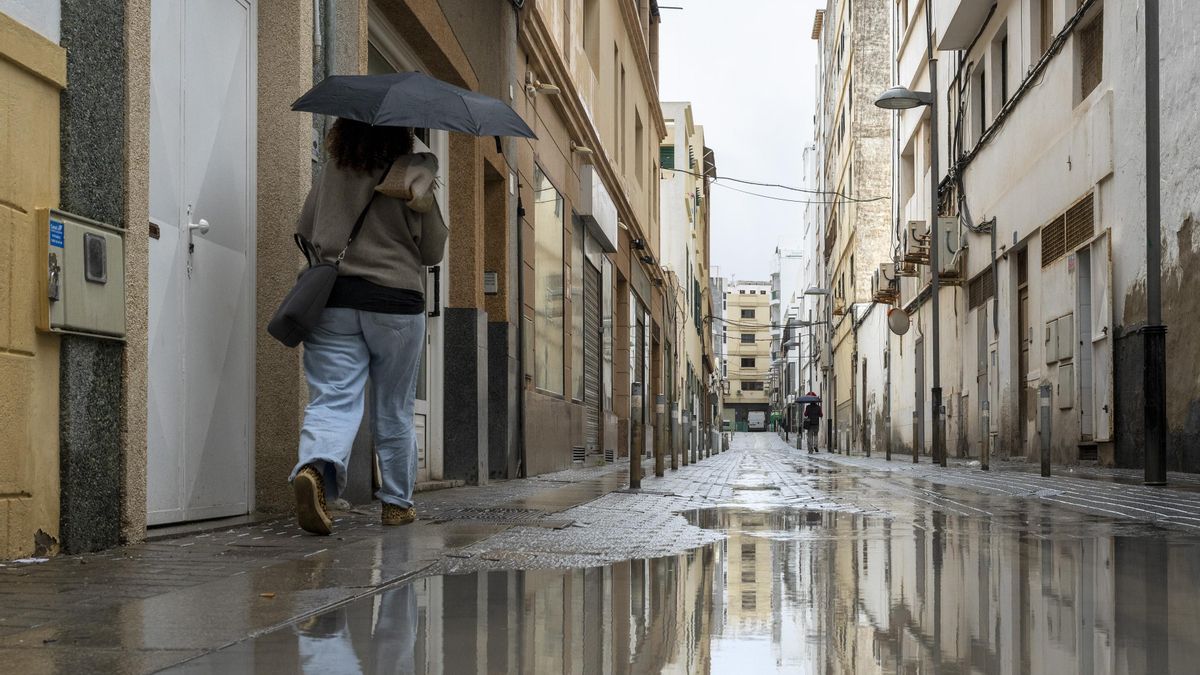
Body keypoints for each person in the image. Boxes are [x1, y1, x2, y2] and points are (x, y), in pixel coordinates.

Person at [289, 119, 448, 536]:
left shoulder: (331, 171)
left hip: (335, 301)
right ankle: (397, 504)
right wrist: (424, 201)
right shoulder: (412, 173)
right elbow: (431, 252)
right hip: (396, 303)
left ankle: (315, 472)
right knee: (394, 407)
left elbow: (305, 230)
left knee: (333, 398)